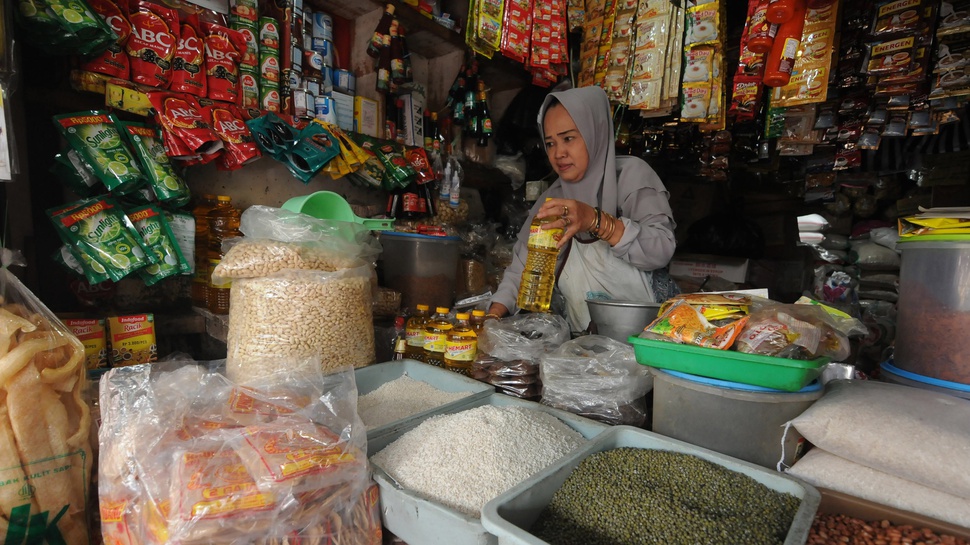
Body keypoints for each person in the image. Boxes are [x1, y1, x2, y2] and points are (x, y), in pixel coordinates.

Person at [487, 86, 677, 332]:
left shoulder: (631, 176)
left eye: (568, 138)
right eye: (550, 143)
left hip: (652, 339)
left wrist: (594, 220)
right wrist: (493, 316)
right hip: (585, 346)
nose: (559, 153)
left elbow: (661, 249)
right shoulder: (552, 200)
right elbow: (522, 271)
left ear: (593, 133)